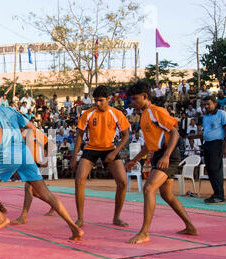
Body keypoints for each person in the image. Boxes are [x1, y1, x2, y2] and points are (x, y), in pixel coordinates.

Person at [0, 88, 83, 240]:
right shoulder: (10, 109)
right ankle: (74, 228)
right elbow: (32, 128)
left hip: (6, 152)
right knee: (45, 193)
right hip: (24, 152)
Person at [126, 81, 198, 244]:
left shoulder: (156, 111)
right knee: (166, 194)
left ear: (145, 97)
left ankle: (144, 232)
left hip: (169, 154)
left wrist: (166, 155)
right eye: (132, 99)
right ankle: (190, 226)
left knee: (149, 188)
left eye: (136, 99)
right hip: (159, 154)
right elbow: (148, 145)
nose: (133, 102)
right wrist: (134, 160)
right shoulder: (144, 116)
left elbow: (175, 133)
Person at [71, 86, 130, 228]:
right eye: (95, 101)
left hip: (109, 149)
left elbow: (126, 135)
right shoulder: (88, 114)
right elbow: (79, 135)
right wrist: (74, 157)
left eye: (101, 101)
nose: (97, 104)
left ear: (108, 99)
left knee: (123, 183)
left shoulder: (117, 114)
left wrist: (114, 153)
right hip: (91, 149)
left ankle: (116, 217)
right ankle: (80, 218)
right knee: (79, 180)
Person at [189, 96, 226, 204]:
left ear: (215, 103)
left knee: (215, 169)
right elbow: (206, 133)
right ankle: (216, 193)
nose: (206, 106)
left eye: (208, 104)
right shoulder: (206, 117)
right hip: (207, 144)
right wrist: (193, 137)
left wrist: (224, 147)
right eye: (204, 104)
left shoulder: (222, 114)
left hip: (217, 144)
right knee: (209, 170)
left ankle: (220, 196)